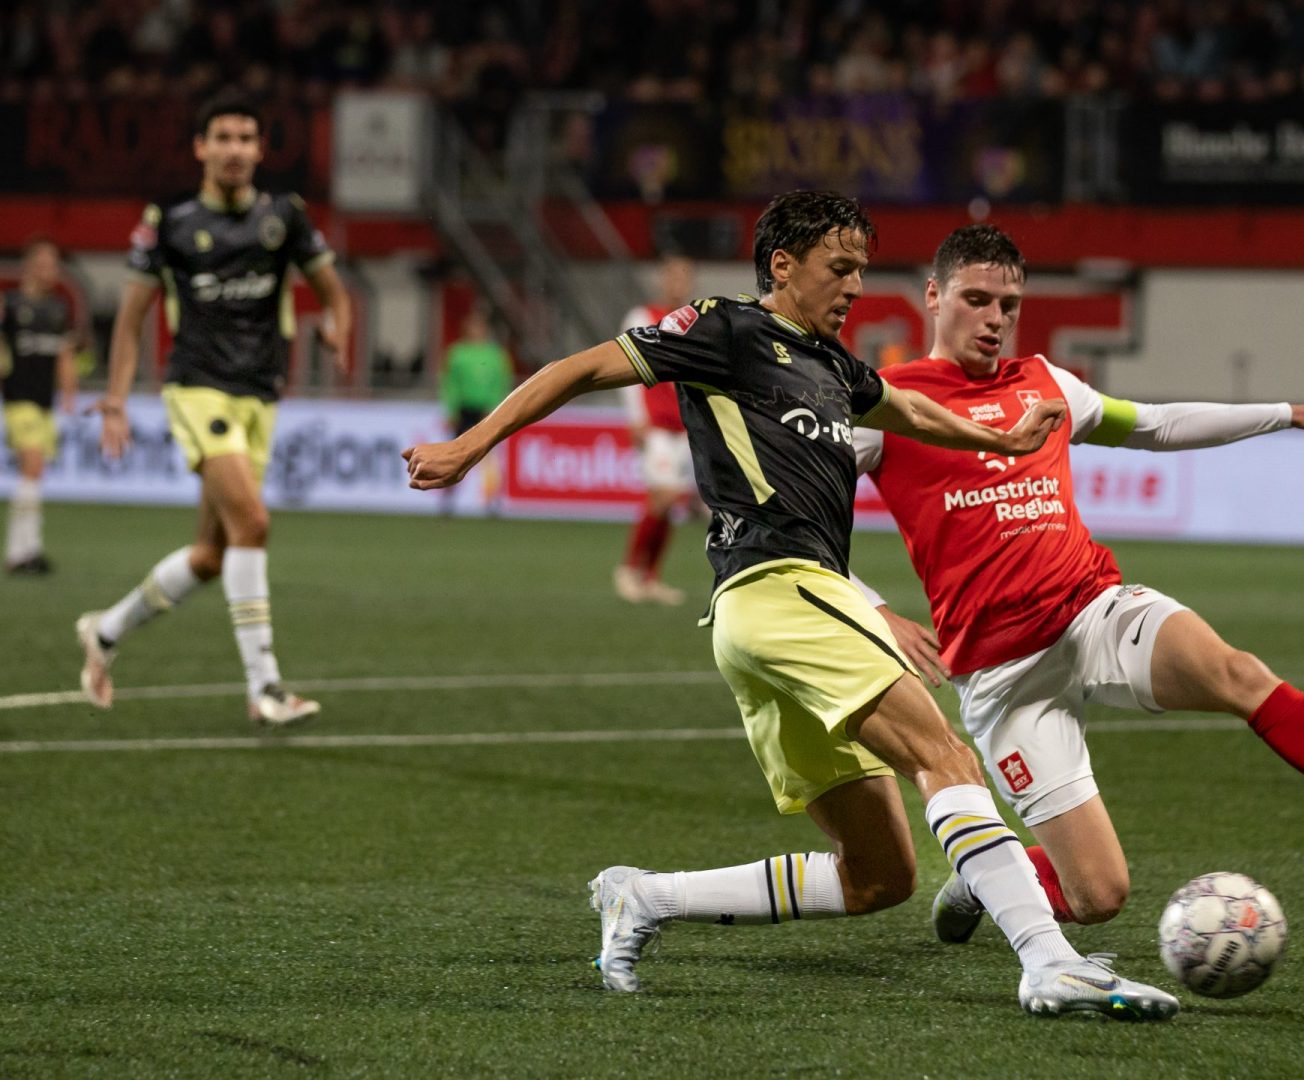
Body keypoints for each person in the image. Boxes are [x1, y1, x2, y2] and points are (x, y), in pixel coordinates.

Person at [402, 191, 1178, 1020]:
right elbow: (579, 368)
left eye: (861, 271)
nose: (853, 288)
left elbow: (908, 409)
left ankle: (647, 897)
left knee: (880, 875)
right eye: (838, 269)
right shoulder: (725, 329)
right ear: (783, 264)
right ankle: (1050, 962)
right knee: (944, 757)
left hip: (758, 621)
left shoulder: (837, 365)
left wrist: (1000, 438)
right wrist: (469, 443)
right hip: (784, 587)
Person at [846, 225, 1304, 941]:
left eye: (1008, 304)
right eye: (976, 299)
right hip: (1001, 670)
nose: (993, 319)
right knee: (1100, 895)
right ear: (934, 295)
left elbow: (1156, 425)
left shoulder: (1046, 383)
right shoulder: (887, 405)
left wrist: (1288, 414)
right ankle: (992, 876)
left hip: (1092, 610)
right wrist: (876, 613)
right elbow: (800, 517)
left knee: (1236, 672)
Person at [76, 90, 353, 727]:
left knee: (211, 556)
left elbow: (335, 294)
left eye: (245, 138)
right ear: (201, 148)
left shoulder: (286, 216)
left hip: (260, 393)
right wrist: (116, 399)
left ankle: (107, 632)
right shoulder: (169, 222)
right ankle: (266, 688)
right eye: (221, 137)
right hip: (198, 388)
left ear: (260, 150)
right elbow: (131, 320)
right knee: (253, 523)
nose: (234, 149)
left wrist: (337, 326)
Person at [614, 254, 697, 605]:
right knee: (661, 497)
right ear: (662, 281)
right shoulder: (642, 317)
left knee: (671, 503)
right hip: (656, 425)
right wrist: (636, 416)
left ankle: (651, 577)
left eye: (685, 277)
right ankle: (629, 569)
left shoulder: (696, 321)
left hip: (684, 427)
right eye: (673, 277)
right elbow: (625, 369)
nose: (678, 284)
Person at [1, 238, 78, 575]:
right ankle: (21, 552)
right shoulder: (10, 306)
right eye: (46, 264)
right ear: (30, 266)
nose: (52, 271)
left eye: (56, 264)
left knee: (35, 473)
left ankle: (25, 550)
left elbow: (64, 355)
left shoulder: (59, 309)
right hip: (19, 399)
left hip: (46, 403)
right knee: (32, 467)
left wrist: (70, 394)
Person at [438, 303, 514, 513]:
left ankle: (492, 500)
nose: (475, 329)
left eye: (479, 326)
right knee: (456, 454)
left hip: (486, 410)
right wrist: (451, 409)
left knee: (489, 456)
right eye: (472, 325)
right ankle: (448, 498)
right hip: (464, 409)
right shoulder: (457, 353)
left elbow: (501, 383)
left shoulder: (496, 355)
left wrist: (495, 407)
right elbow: (450, 383)